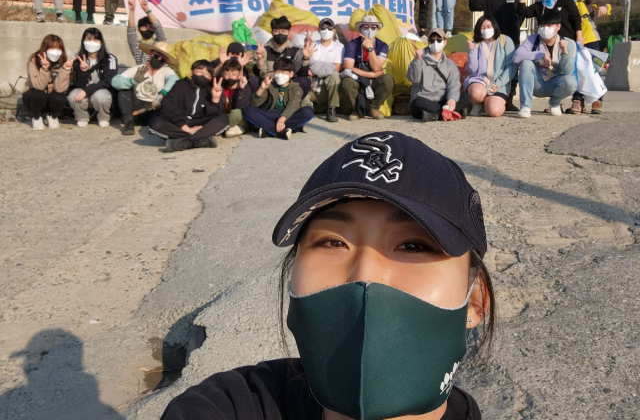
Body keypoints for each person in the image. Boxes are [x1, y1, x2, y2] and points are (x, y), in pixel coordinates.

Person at [161, 131, 494, 420]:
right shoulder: (231, 405)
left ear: (476, 300)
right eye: (332, 242)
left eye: (413, 245)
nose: (365, 276)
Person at [469, 0, 523, 111]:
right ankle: (485, 97)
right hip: (490, 39)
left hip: (511, 38)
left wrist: (516, 26)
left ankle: (509, 98)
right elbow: (474, 6)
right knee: (490, 67)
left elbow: (521, 14)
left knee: (512, 70)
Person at [148, 60, 229, 151]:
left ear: (210, 78)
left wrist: (215, 99)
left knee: (223, 119)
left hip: (198, 122)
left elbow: (211, 114)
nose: (203, 75)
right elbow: (168, 106)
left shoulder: (209, 90)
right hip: (180, 122)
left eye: (207, 74)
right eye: (200, 71)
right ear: (191, 72)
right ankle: (202, 140)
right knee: (156, 123)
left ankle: (184, 142)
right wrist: (185, 127)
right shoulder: (180, 85)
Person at [559, 0, 610, 115]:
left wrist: (604, 7)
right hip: (572, 39)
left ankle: (597, 100)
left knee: (594, 70)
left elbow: (605, 5)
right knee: (576, 71)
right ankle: (577, 101)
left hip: (590, 38)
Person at [512, 10, 577, 119]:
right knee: (526, 63)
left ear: (558, 27)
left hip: (556, 83)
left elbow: (568, 71)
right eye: (542, 26)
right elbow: (516, 57)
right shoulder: (533, 39)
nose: (544, 29)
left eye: (549, 25)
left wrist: (565, 52)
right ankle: (525, 107)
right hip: (537, 83)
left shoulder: (569, 43)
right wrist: (539, 54)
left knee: (571, 82)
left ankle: (555, 103)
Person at [111, 41, 179, 135]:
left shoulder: (166, 71)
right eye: (156, 56)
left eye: (162, 59)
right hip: (136, 106)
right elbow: (115, 81)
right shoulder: (139, 69)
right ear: (150, 54)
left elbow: (174, 79)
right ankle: (128, 122)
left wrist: (162, 94)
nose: (158, 59)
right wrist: (132, 81)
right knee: (124, 89)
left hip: (155, 107)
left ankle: (156, 125)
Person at [242, 58, 314, 140]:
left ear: (291, 74)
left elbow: (294, 104)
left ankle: (268, 129)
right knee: (247, 110)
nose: (280, 75)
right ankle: (282, 131)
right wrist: (261, 89)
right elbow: (255, 104)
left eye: (283, 72)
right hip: (271, 114)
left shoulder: (296, 87)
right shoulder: (271, 85)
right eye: (277, 72)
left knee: (308, 111)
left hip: (288, 115)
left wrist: (282, 118)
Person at [407, 28, 470, 122]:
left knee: (466, 97)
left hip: (443, 100)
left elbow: (453, 85)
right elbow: (414, 79)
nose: (435, 43)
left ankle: (435, 115)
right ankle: (451, 113)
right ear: (428, 42)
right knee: (417, 102)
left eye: (439, 40)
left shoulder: (450, 64)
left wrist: (452, 100)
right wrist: (417, 61)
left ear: (445, 42)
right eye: (432, 40)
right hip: (425, 100)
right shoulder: (419, 60)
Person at [340, 15, 394, 120]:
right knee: (347, 82)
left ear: (377, 30)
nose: (369, 30)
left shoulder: (382, 45)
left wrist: (370, 48)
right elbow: (348, 68)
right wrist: (371, 74)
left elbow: (376, 68)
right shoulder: (352, 44)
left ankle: (373, 108)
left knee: (388, 80)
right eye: (365, 27)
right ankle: (355, 110)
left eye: (373, 27)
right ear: (360, 29)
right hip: (356, 78)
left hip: (373, 78)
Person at [464, 16, 516, 118]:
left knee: (494, 112)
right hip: (479, 81)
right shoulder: (476, 44)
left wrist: (499, 83)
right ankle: (477, 103)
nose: (486, 29)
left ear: (494, 27)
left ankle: (488, 103)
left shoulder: (505, 40)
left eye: (488, 26)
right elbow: (472, 69)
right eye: (482, 27)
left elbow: (511, 66)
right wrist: (471, 51)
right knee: (476, 94)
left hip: (498, 82)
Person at [67, 28, 117, 128]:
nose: (92, 43)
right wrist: (83, 72)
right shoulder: (78, 58)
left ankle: (103, 117)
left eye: (95, 40)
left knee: (101, 97)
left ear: (101, 42)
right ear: (83, 41)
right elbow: (78, 85)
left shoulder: (110, 59)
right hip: (83, 89)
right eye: (88, 39)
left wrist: (86, 90)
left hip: (101, 90)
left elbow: (107, 81)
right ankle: (81, 117)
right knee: (73, 96)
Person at [22, 34, 73, 130]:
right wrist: (45, 70)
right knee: (38, 94)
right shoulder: (35, 59)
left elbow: (59, 88)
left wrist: (65, 70)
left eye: (58, 49)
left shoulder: (64, 61)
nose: (55, 52)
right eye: (52, 48)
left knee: (60, 96)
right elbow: (38, 86)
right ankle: (36, 118)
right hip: (34, 97)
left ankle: (53, 117)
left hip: (51, 98)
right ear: (45, 48)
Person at [518, 0, 582, 44]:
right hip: (545, 43)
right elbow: (522, 11)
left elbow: (576, 19)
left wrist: (579, 36)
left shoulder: (565, 0)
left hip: (567, 41)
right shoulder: (538, 6)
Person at [254, 16, 310, 93]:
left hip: (289, 84)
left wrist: (306, 58)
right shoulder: (264, 49)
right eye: (277, 31)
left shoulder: (295, 50)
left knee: (304, 81)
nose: (280, 34)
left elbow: (301, 73)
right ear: (272, 32)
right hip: (269, 83)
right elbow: (260, 73)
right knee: (254, 81)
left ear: (288, 32)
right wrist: (260, 59)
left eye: (283, 31)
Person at [307, 18, 344, 123]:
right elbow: (306, 68)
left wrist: (315, 68)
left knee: (334, 75)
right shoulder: (312, 45)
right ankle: (308, 108)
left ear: (334, 31)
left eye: (329, 28)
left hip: (328, 85)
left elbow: (336, 68)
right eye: (323, 28)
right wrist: (327, 67)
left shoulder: (339, 47)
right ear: (318, 30)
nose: (326, 30)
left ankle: (332, 109)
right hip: (313, 84)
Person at [127, 0, 167, 65]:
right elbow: (131, 33)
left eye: (150, 27)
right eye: (144, 27)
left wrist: (147, 10)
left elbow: (158, 27)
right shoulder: (139, 47)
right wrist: (132, 10)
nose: (148, 29)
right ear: (139, 30)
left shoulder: (159, 43)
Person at [218, 59, 252, 138]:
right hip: (223, 116)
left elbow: (241, 107)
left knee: (236, 113)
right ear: (223, 74)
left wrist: (242, 90)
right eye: (227, 74)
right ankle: (227, 128)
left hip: (239, 118)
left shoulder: (245, 87)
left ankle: (221, 127)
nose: (230, 77)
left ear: (239, 75)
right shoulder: (219, 87)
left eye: (234, 74)